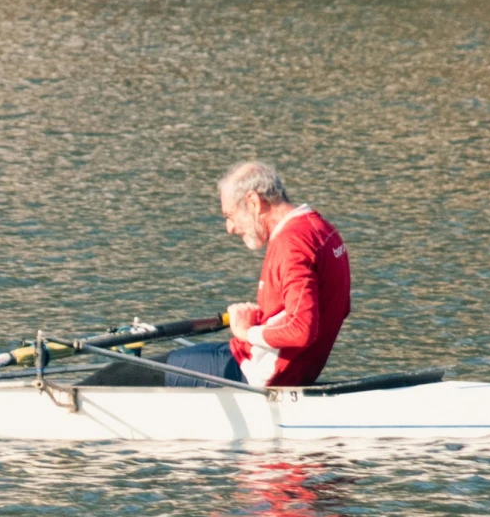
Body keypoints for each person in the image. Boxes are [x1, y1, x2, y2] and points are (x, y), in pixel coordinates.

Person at [133, 161, 351, 388]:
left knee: (125, 373)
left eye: (230, 215)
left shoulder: (291, 243)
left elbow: (301, 329)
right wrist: (267, 322)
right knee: (166, 360)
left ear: (254, 202)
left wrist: (248, 332)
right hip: (276, 365)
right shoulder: (323, 230)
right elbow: (339, 307)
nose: (230, 227)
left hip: (254, 374)